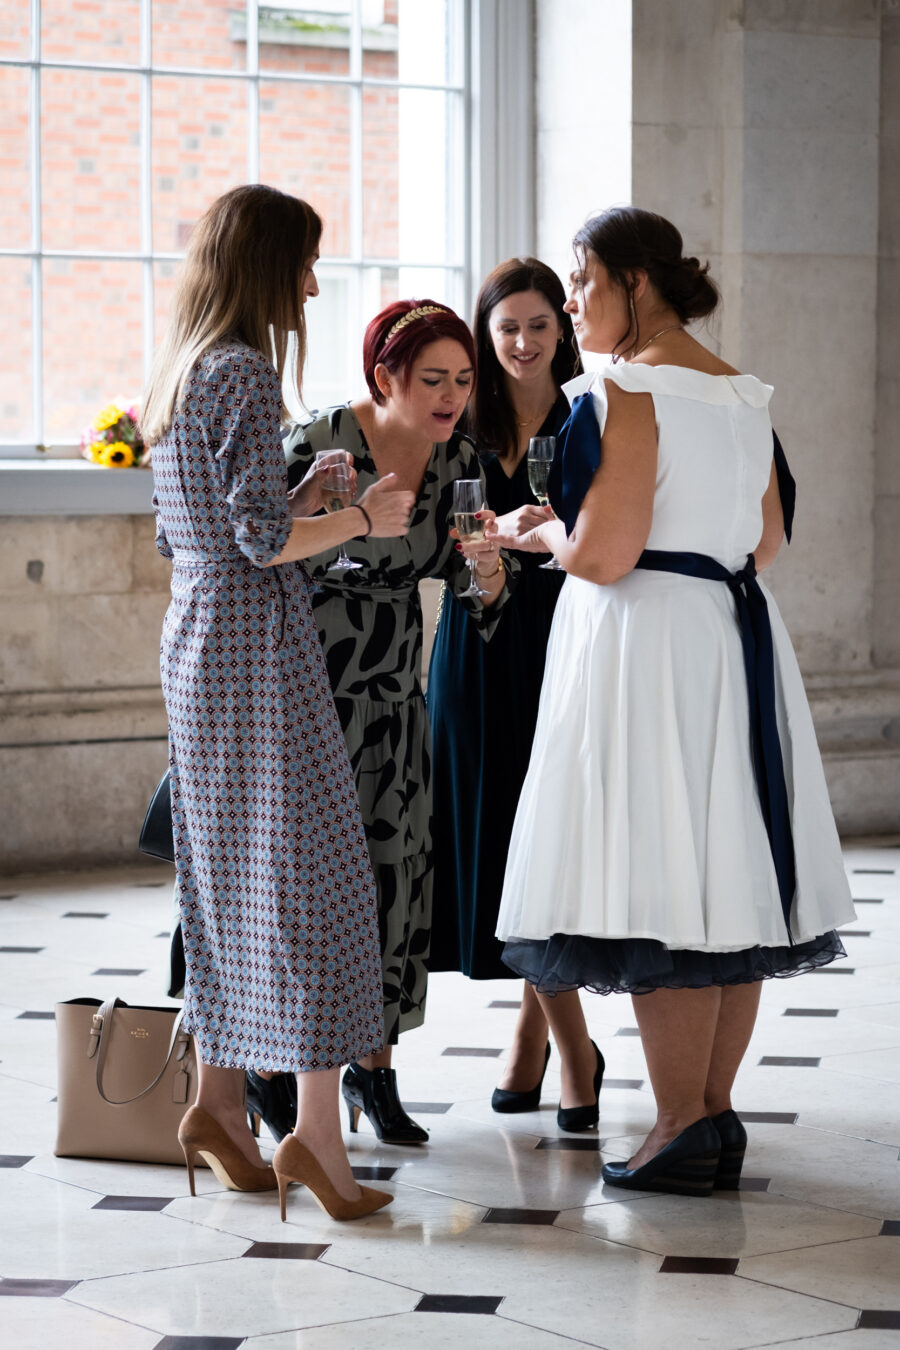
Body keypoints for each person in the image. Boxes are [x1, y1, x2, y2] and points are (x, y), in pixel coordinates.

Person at [491, 205, 855, 1195]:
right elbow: (766, 542)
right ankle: (710, 1116)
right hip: (734, 634)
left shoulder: (624, 387)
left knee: (657, 876)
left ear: (636, 283)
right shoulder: (740, 393)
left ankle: (681, 1121)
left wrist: (542, 537)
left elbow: (604, 553)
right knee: (727, 875)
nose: (572, 304)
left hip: (645, 642)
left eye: (584, 283)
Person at [141, 183, 415, 1221]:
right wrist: (361, 516)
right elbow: (259, 542)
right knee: (317, 878)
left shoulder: (180, 373)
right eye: (303, 263)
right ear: (265, 266)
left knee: (230, 879)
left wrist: (304, 501)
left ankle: (218, 1102)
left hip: (200, 643)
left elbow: (198, 536)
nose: (310, 283)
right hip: (257, 653)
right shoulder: (247, 374)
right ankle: (315, 1138)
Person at [278, 299, 513, 1145]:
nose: (452, 395)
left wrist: (487, 571)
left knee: (397, 886)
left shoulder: (459, 461)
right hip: (308, 702)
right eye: (432, 379)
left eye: (462, 379)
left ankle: (374, 1073)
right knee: (310, 892)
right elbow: (255, 554)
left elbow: (475, 595)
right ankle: (280, 1066)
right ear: (385, 376)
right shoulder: (321, 443)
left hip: (393, 702)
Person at [427, 258, 603, 1130]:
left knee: (550, 841)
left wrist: (552, 537)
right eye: (508, 328)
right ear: (485, 335)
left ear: (562, 330)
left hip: (569, 635)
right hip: (476, 636)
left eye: (540, 325)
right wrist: (487, 568)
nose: (525, 342)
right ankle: (557, 1041)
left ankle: (560, 1044)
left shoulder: (589, 414)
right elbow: (451, 541)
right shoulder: (462, 423)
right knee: (495, 837)